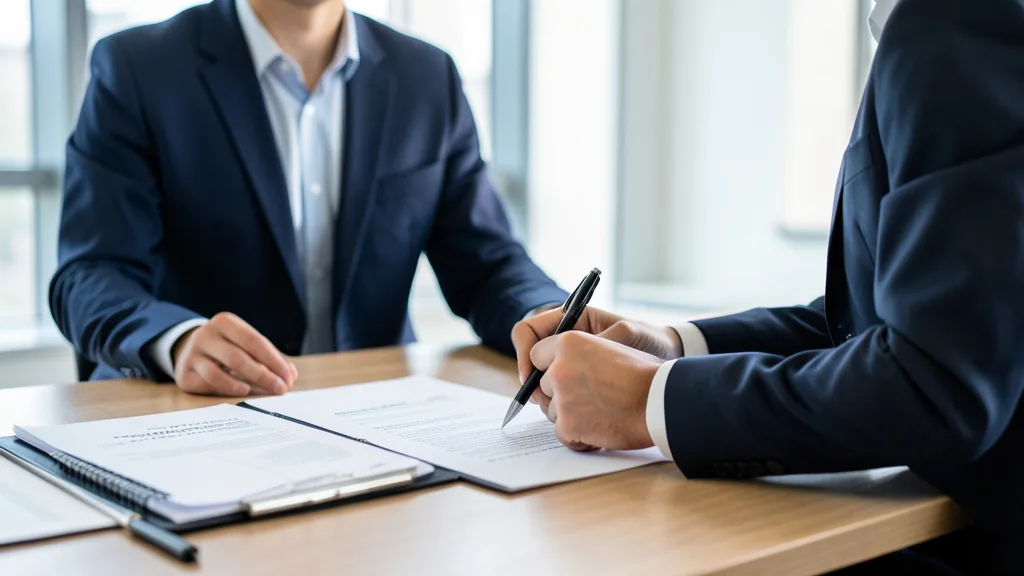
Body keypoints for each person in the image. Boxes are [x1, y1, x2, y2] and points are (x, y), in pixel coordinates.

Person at [512, 0, 1024, 573]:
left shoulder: (956, 19)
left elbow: (935, 384)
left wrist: (649, 399)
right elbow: (870, 321)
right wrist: (672, 346)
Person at [51, 0, 566, 395]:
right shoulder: (139, 68)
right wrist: (178, 338)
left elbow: (488, 264)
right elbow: (90, 273)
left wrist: (553, 319)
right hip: (207, 412)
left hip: (381, 417)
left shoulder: (427, 77)